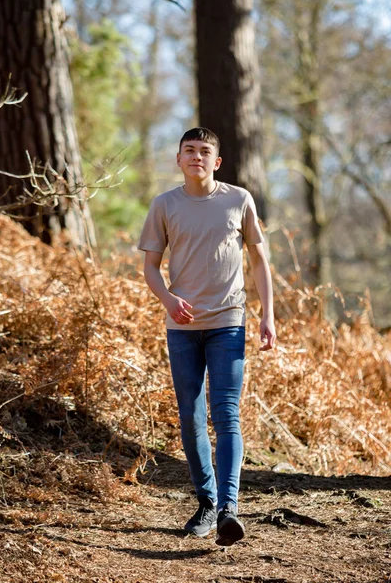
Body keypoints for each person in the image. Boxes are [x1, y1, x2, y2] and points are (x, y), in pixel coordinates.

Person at [138, 127, 276, 546]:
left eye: (205, 151)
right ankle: (206, 502)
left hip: (228, 322)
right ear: (178, 159)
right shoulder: (164, 205)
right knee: (191, 417)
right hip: (181, 328)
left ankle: (228, 509)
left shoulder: (239, 199)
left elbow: (259, 261)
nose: (196, 156)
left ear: (217, 162)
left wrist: (268, 315)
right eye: (189, 150)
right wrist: (168, 300)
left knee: (226, 413)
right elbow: (149, 267)